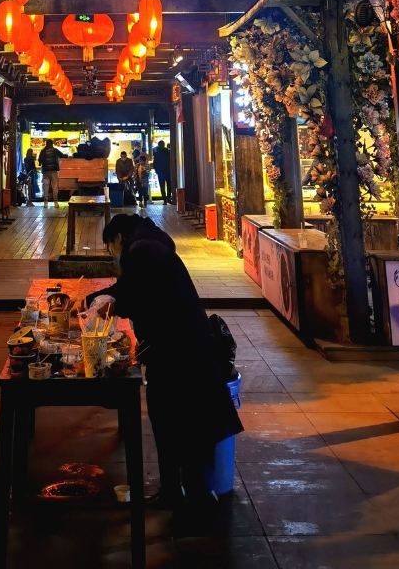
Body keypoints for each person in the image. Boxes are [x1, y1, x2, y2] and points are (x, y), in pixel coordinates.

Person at [89, 214, 242, 526]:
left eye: (110, 249)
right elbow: (131, 288)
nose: (112, 256)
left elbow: (133, 295)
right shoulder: (151, 245)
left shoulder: (140, 251)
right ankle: (175, 492)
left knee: (179, 424)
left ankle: (196, 505)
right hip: (182, 349)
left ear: (118, 238)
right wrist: (100, 298)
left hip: (177, 353)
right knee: (173, 423)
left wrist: (107, 301)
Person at [38, 138, 64, 207]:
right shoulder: (55, 150)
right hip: (53, 171)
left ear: (46, 144)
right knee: (54, 187)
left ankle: (45, 203)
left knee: (45, 187)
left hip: (45, 171)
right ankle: (56, 202)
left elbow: (39, 160)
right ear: (52, 144)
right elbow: (62, 155)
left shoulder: (43, 151)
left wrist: (41, 163)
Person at [153, 140, 172, 205]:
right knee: (169, 185)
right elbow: (170, 161)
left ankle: (164, 200)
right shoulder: (168, 151)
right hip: (167, 171)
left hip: (160, 172)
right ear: (164, 144)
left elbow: (155, 162)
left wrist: (157, 171)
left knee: (162, 186)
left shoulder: (156, 152)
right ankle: (168, 198)